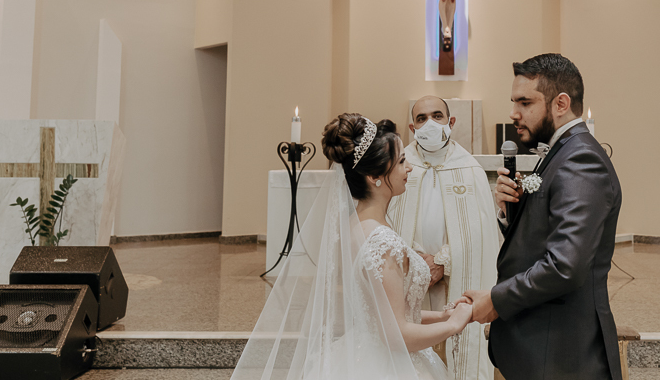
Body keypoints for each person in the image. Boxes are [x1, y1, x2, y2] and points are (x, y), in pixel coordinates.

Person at [231, 114, 473, 380]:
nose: (410, 168)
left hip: (361, 352)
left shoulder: (354, 226)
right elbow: (396, 336)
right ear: (374, 175)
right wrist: (454, 324)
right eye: (402, 161)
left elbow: (383, 315)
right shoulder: (382, 242)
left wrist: (442, 316)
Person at [460, 54, 624, 380]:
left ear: (561, 103)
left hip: (561, 354)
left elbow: (565, 266)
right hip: (545, 348)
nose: (513, 113)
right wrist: (512, 212)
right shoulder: (562, 151)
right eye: (513, 102)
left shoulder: (580, 159)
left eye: (525, 102)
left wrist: (496, 300)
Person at [388, 96, 499, 380]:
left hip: (455, 278)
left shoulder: (469, 168)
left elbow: (481, 233)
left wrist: (441, 262)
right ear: (412, 128)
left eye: (437, 116)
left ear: (451, 122)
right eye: (421, 118)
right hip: (410, 274)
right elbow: (387, 220)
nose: (430, 123)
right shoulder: (397, 166)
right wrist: (416, 262)